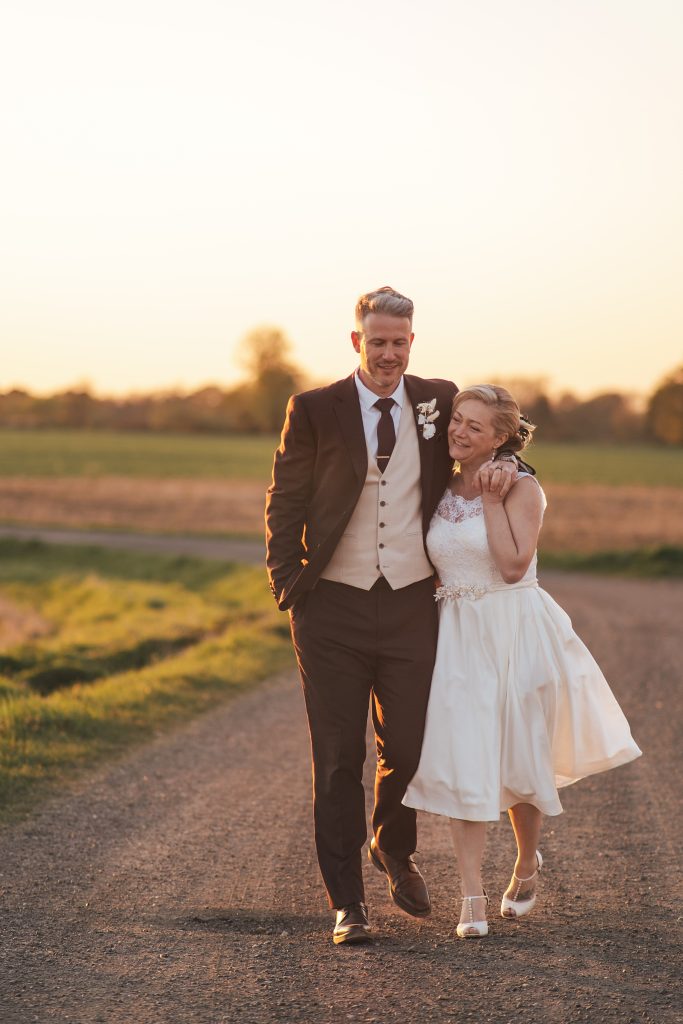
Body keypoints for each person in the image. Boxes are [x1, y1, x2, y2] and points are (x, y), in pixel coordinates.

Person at [264, 287, 520, 945]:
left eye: (399, 342)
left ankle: (391, 841)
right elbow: (283, 499)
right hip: (331, 611)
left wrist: (511, 463)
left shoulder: (437, 398)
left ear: (412, 342)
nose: (388, 353)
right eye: (376, 341)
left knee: (407, 745)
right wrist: (288, 584)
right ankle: (347, 906)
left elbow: (483, 439)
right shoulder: (314, 408)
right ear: (357, 342)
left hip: (412, 603)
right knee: (338, 755)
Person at [403, 385, 642, 938]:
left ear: (502, 439)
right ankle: (470, 899)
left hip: (515, 631)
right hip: (458, 638)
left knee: (518, 760)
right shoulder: (439, 481)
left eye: (475, 428)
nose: (459, 432)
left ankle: (527, 862)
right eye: (457, 421)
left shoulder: (521, 487)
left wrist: (490, 501)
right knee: (467, 758)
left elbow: (512, 566)